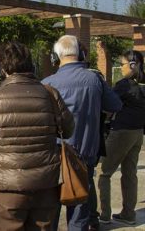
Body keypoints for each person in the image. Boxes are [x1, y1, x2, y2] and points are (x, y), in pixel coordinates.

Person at [0, 41, 75, 231]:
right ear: (31, 66)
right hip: (45, 184)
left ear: (2, 68)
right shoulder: (50, 94)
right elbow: (68, 130)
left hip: (6, 187)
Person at [42, 35, 122, 231]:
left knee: (50, 210)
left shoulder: (46, 83)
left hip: (53, 156)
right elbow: (115, 105)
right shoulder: (94, 79)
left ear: (56, 56)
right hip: (84, 155)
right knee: (79, 215)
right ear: (81, 54)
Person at [98, 50, 145, 226]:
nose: (121, 67)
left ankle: (104, 215)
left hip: (121, 132)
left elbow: (109, 103)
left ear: (132, 65)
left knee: (104, 173)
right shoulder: (142, 83)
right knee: (129, 173)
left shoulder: (124, 85)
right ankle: (129, 214)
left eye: (123, 64)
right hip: (137, 133)